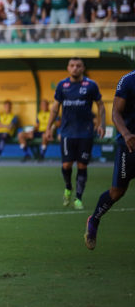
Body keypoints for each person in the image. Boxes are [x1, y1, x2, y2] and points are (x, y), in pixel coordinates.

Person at [45, 57, 105, 210]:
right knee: (66, 165)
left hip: (85, 133)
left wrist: (101, 124)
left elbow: (101, 106)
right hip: (67, 132)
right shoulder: (62, 85)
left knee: (82, 166)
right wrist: (48, 128)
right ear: (68, 68)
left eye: (78, 65)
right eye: (72, 65)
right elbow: (54, 109)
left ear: (83, 68)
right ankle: (68, 187)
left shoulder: (91, 85)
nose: (75, 68)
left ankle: (78, 198)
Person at [84, 70, 135, 250]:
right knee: (117, 192)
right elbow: (116, 113)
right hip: (129, 145)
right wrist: (127, 133)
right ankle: (94, 220)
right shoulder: (128, 81)